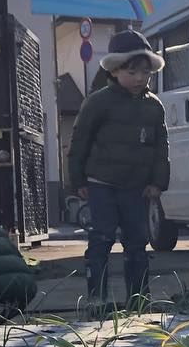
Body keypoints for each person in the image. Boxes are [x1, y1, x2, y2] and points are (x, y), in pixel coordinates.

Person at [66, 30, 169, 309]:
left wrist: (158, 182)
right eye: (131, 71)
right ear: (114, 70)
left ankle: (139, 299)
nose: (139, 78)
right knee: (101, 238)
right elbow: (79, 141)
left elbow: (161, 147)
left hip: (137, 186)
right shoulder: (99, 102)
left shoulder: (154, 106)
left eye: (145, 73)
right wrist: (77, 180)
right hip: (101, 182)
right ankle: (96, 298)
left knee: (137, 242)